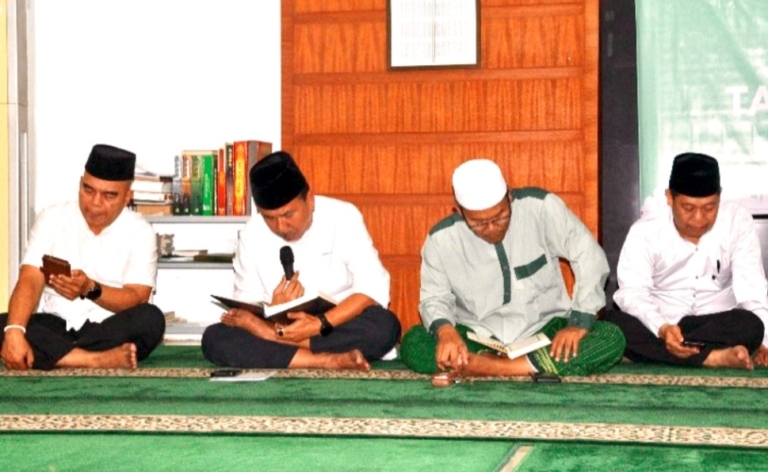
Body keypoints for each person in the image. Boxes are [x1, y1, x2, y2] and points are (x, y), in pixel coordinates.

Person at [399, 159, 625, 377]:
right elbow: (435, 297)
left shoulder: (541, 208)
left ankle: (488, 367)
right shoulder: (441, 240)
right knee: (414, 343)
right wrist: (446, 332)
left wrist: (578, 323)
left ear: (509, 196)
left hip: (545, 330)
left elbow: (588, 256)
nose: (491, 228)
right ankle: (523, 366)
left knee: (610, 337)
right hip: (477, 336)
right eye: (478, 223)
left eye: (500, 217)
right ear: (458, 212)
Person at [201, 151, 401, 371]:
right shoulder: (251, 234)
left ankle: (279, 343)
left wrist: (318, 324)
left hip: (334, 325)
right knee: (214, 338)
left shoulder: (343, 217)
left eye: (288, 215)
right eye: (269, 218)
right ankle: (327, 360)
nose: (281, 227)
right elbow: (245, 308)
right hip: (282, 326)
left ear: (310, 200)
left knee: (385, 326)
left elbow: (372, 289)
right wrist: (272, 309)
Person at [0, 144, 165, 370]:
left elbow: (137, 297)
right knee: (8, 325)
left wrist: (90, 289)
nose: (95, 203)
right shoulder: (52, 218)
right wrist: (15, 331)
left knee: (151, 319)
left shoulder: (140, 231)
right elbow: (30, 278)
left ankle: (56, 354)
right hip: (58, 323)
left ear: (127, 197)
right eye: (88, 190)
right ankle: (95, 359)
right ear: (80, 184)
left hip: (108, 326)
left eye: (109, 195)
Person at [605, 152, 768, 369]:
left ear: (720, 197)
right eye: (688, 208)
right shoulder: (645, 232)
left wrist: (764, 342)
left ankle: (662, 353)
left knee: (751, 325)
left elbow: (752, 289)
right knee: (612, 323)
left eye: (709, 208)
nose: (699, 218)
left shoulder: (736, 222)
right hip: (662, 323)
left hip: (716, 324)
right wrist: (662, 328)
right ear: (669, 198)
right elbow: (632, 293)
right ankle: (713, 357)